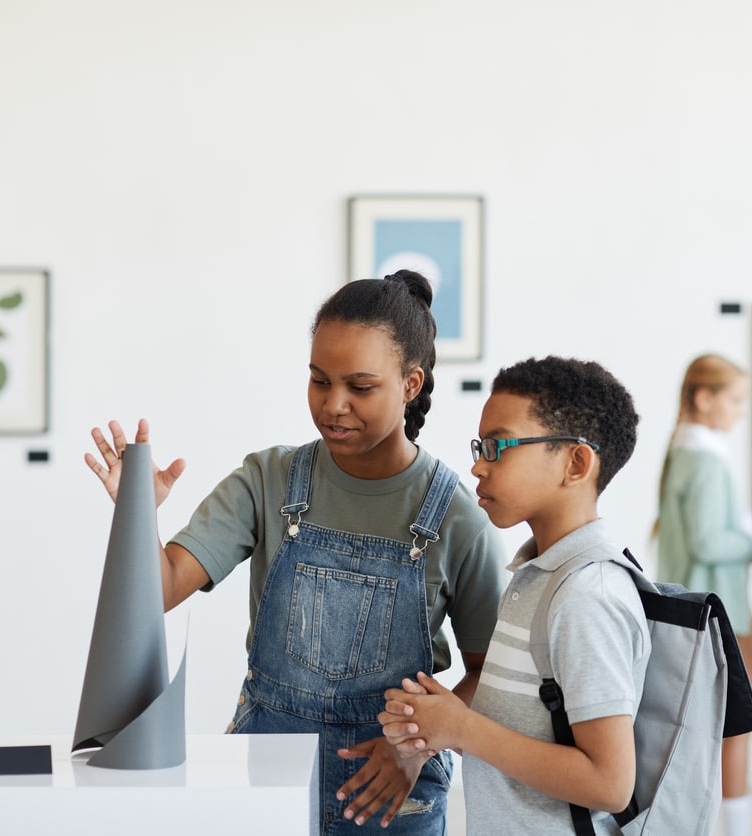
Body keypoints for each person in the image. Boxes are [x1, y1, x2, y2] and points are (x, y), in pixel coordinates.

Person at [84, 271, 505, 834]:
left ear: (410, 384)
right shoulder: (268, 480)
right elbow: (158, 592)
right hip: (263, 782)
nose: (333, 405)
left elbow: (490, 675)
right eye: (318, 380)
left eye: (360, 387)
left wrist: (416, 745)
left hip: (389, 796)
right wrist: (136, 510)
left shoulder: (458, 517)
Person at [375, 356, 650, 835]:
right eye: (480, 446)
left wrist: (462, 728)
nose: (478, 466)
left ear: (576, 463)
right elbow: (518, 730)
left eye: (498, 446)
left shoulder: (588, 595)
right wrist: (439, 719)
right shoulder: (535, 577)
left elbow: (610, 783)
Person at [653, 353, 752, 836]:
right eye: (734, 400)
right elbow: (711, 542)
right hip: (718, 614)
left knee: (702, 728)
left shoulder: (684, 453)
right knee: (737, 726)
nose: (739, 411)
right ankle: (737, 828)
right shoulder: (706, 459)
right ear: (704, 398)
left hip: (692, 612)